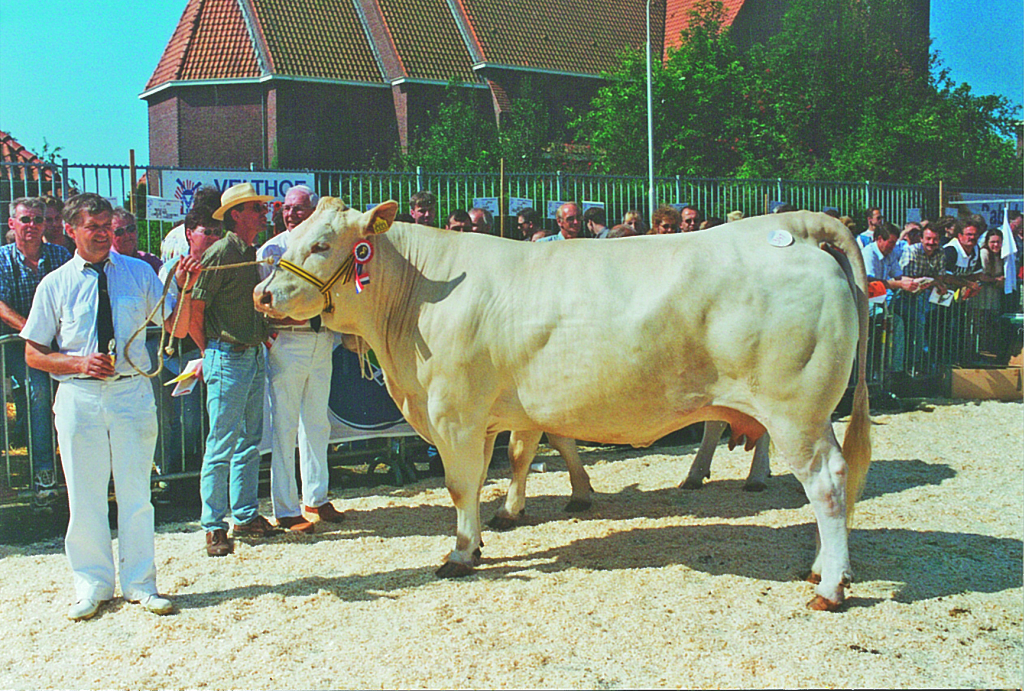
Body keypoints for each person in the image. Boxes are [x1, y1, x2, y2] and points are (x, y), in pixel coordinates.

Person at [21, 193, 181, 620]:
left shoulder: (140, 273)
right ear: (71, 230)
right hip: (80, 396)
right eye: (93, 227)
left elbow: (175, 323)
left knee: (136, 492)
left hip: (131, 393)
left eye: (108, 226)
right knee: (86, 495)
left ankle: (141, 584)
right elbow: (34, 353)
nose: (103, 234)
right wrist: (77, 362)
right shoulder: (54, 284)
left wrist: (188, 284)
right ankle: (92, 584)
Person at [176, 182, 279, 557]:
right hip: (230, 355)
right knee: (222, 443)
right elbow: (196, 311)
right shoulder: (222, 252)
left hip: (248, 355)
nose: (264, 213)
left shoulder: (247, 252)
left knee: (249, 440)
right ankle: (214, 525)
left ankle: (246, 514)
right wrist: (212, 352)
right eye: (257, 208)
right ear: (237, 214)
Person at [257, 185, 343, 533]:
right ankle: (286, 507)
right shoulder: (271, 249)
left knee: (317, 423)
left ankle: (316, 497)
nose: (293, 214)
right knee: (285, 428)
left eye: (300, 209)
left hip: (321, 338)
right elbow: (262, 301)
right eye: (288, 209)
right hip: (287, 342)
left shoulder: (325, 248)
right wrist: (273, 333)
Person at [0, 198, 71, 505]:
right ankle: (44, 472)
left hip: (61, 341)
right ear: (12, 224)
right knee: (38, 393)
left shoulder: (60, 255)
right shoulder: (1, 259)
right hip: (19, 344)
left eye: (38, 220)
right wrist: (33, 329)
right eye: (25, 219)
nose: (32, 226)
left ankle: (80, 471)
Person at [111, 208, 161, 273]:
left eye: (130, 229)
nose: (127, 235)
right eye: (119, 231)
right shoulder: (106, 265)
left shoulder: (150, 261)